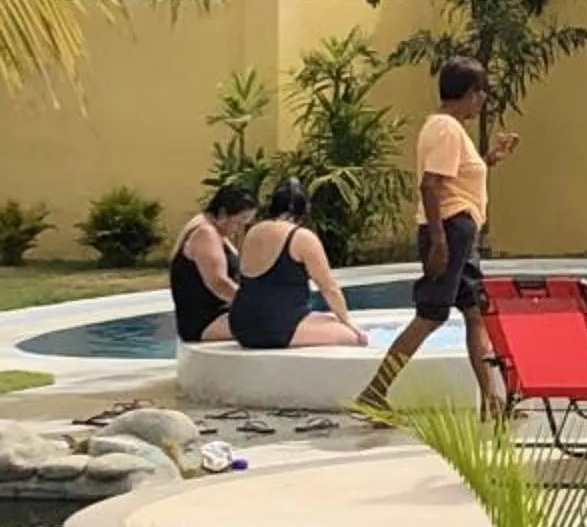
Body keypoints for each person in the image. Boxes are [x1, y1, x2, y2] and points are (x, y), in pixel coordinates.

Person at [358, 58, 517, 416]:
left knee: (476, 313)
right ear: (469, 94)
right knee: (431, 314)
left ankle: (492, 401)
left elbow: (455, 177)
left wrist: (490, 159)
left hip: (459, 229)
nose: (482, 102)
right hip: (450, 229)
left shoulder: (447, 128)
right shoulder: (446, 128)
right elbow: (430, 184)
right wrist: (440, 242)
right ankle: (374, 392)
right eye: (481, 94)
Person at [226, 177, 369, 350]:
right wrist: (348, 323)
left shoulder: (252, 232)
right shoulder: (302, 237)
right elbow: (328, 287)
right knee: (352, 337)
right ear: (303, 210)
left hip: (240, 324)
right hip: (274, 326)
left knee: (326, 319)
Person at [168, 183, 254, 343]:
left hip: (218, 315)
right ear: (222, 213)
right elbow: (218, 283)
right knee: (275, 325)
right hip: (205, 321)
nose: (240, 229)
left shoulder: (214, 230)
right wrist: (253, 303)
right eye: (239, 221)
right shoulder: (205, 233)